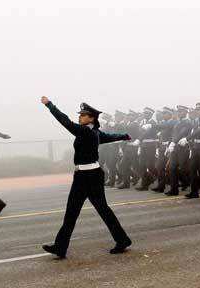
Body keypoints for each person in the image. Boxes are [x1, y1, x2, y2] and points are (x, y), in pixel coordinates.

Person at [40, 97, 132, 258]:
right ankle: (60, 247)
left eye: (83, 115)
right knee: (73, 212)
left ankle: (122, 240)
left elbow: (64, 121)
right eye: (80, 114)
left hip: (90, 176)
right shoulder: (94, 132)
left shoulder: (85, 131)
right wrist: (124, 135)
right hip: (84, 176)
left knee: (100, 210)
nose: (80, 117)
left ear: (91, 118)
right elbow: (109, 137)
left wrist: (50, 105)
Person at [165, 105, 192, 196]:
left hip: (183, 148)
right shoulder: (177, 123)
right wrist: (170, 145)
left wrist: (173, 142)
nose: (179, 113)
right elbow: (173, 135)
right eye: (178, 111)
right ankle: (174, 189)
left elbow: (182, 133)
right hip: (175, 148)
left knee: (185, 169)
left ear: (185, 112)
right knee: (172, 168)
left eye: (181, 111)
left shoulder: (188, 122)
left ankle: (194, 184)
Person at [135, 107, 159, 191]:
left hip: (150, 145)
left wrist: (139, 139)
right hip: (143, 145)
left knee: (150, 165)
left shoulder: (152, 123)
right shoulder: (142, 122)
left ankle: (161, 178)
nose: (145, 115)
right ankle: (144, 184)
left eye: (147, 113)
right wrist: (139, 145)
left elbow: (146, 133)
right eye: (144, 113)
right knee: (141, 165)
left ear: (151, 114)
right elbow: (140, 133)